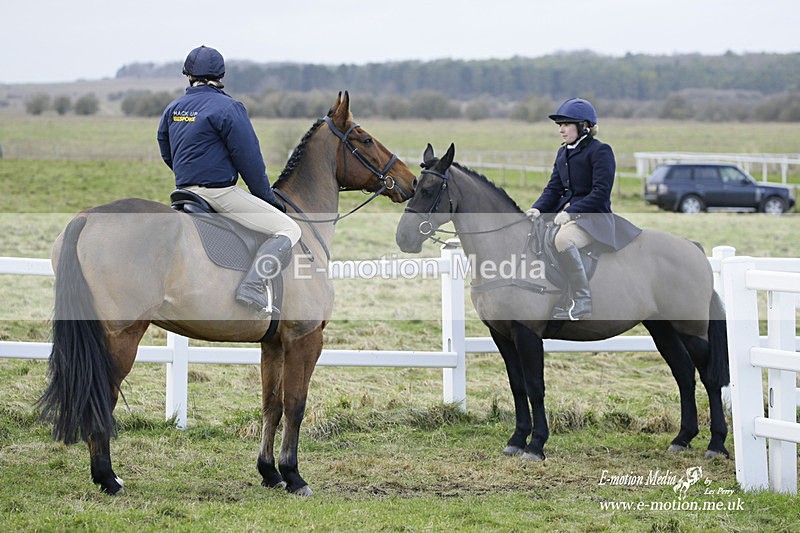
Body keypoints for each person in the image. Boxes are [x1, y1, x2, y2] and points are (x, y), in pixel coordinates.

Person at [158, 45, 301, 316]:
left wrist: (187, 175)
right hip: (218, 193)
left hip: (183, 191)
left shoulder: (173, 108)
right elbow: (250, 161)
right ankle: (253, 286)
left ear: (188, 74)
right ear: (221, 75)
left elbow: (166, 150)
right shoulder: (229, 108)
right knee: (288, 230)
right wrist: (268, 200)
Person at [526, 98, 640, 321]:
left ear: (584, 126)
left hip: (592, 217)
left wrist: (571, 212)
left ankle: (582, 300)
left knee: (563, 241)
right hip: (564, 215)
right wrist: (537, 209)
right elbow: (554, 187)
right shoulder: (563, 152)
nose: (561, 129)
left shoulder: (600, 151)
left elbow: (600, 192)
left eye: (566, 124)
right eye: (560, 125)